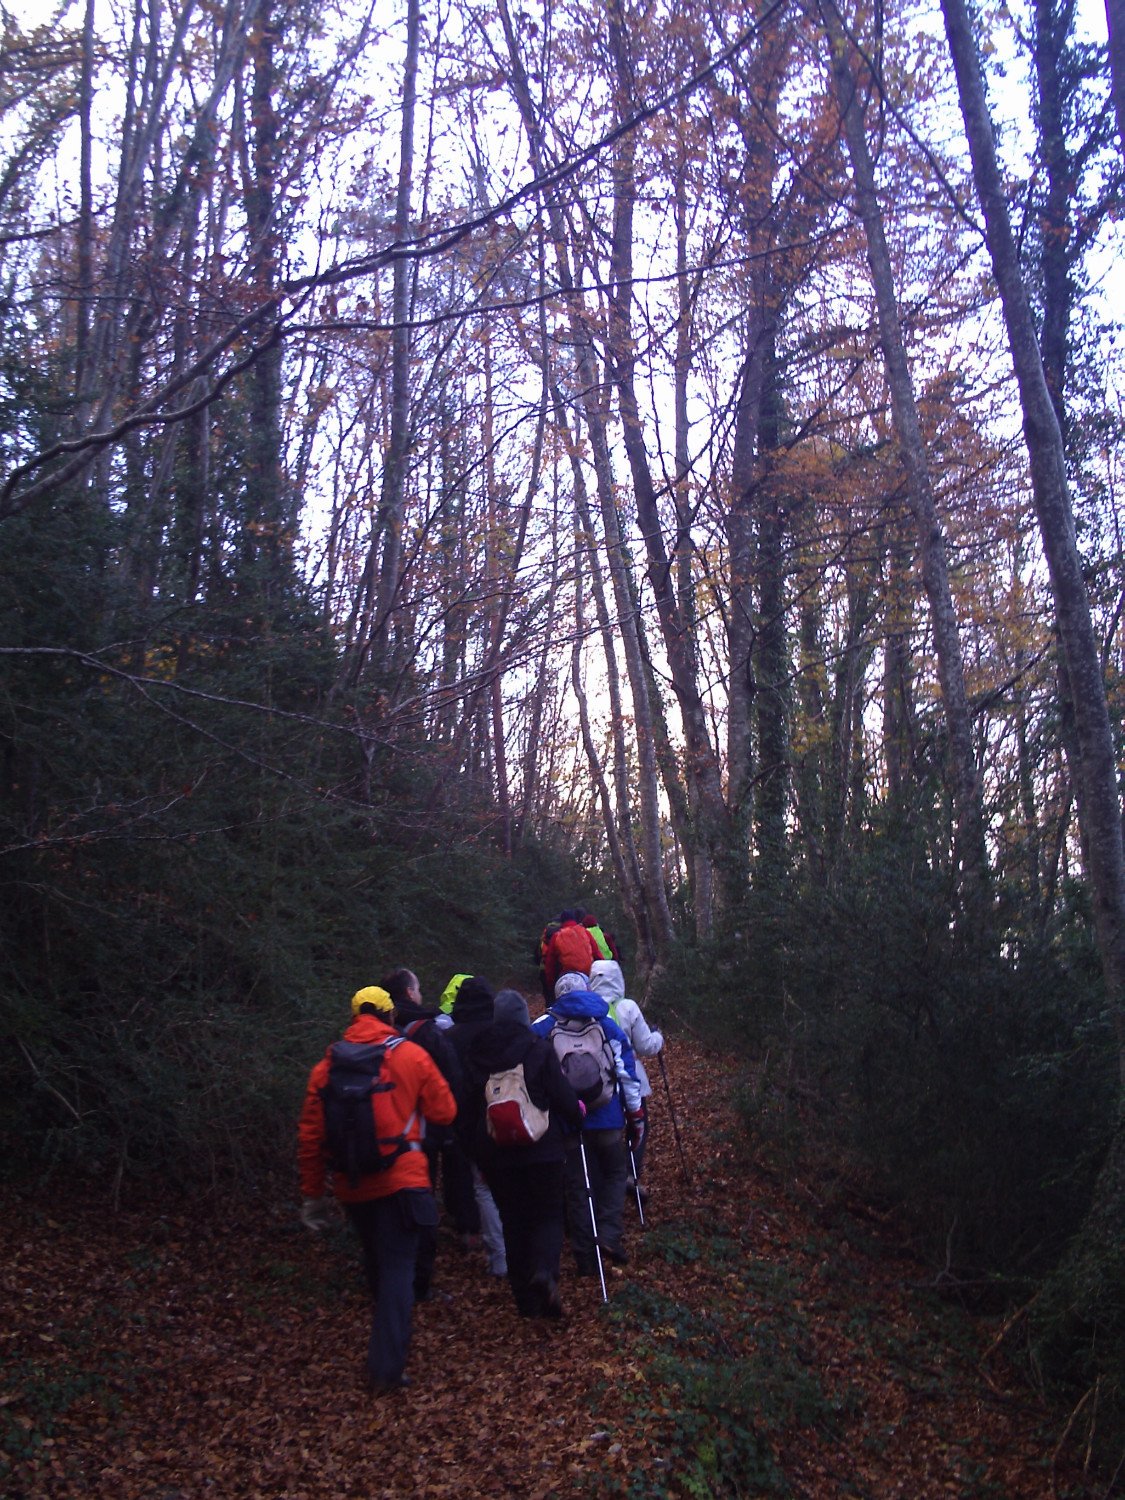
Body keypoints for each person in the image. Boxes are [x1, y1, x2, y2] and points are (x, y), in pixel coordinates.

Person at [297, 984, 456, 1393]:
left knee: (378, 1264)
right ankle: (386, 1366)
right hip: (403, 1181)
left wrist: (314, 1197)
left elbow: (311, 1137)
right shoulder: (408, 1055)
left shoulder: (326, 1068)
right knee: (399, 1271)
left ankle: (384, 1349)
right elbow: (445, 1109)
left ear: (353, 1018)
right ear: (389, 1016)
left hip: (354, 1186)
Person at [461, 989, 585, 1316]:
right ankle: (545, 1272)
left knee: (513, 1222)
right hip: (542, 1150)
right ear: (522, 1017)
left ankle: (525, 1302)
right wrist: (577, 1116)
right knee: (547, 1215)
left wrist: (473, 1151)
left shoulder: (477, 1055)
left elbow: (467, 1109)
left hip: (496, 1154)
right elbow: (562, 1099)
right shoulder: (538, 1050)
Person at [532, 971, 643, 1275]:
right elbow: (626, 1073)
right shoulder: (606, 1024)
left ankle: (585, 1256)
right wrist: (635, 1115)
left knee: (578, 1187)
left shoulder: (543, 1028)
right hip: (607, 1117)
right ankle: (608, 1233)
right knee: (616, 1172)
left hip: (569, 1122)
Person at [384, 967, 470, 1292]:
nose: (420, 993)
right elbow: (451, 1077)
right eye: (417, 987)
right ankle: (421, 1273)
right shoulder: (427, 1029)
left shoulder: (381, 1031)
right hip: (427, 1123)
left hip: (389, 1127)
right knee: (424, 1189)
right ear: (408, 993)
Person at [445, 975, 507, 1276]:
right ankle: (512, 1249)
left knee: (478, 1185)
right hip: (503, 1117)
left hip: (464, 1121)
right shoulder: (500, 1032)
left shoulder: (449, 1037)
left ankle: (495, 1253)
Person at [588, 958, 662, 1190]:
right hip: (630, 1078)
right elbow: (646, 1046)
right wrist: (659, 1037)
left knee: (604, 1129)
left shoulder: (585, 1007)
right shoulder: (628, 1007)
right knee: (639, 1124)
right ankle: (631, 1173)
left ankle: (601, 1175)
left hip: (595, 1082)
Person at [540, 910, 602, 997]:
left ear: (562, 922)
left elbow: (550, 962)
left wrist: (551, 983)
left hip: (567, 978)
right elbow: (597, 954)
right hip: (587, 976)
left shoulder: (557, 936)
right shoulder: (585, 932)